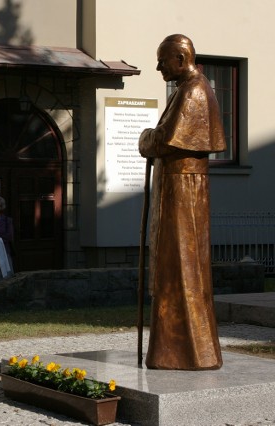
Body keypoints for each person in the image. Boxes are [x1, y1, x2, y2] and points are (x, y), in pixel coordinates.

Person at [138, 34, 226, 370]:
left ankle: (192, 352)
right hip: (176, 185)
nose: (158, 66)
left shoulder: (193, 91)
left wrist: (145, 139)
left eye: (162, 60)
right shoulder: (184, 90)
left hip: (184, 189)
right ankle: (171, 351)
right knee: (172, 268)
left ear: (180, 57)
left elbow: (164, 140)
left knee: (182, 267)